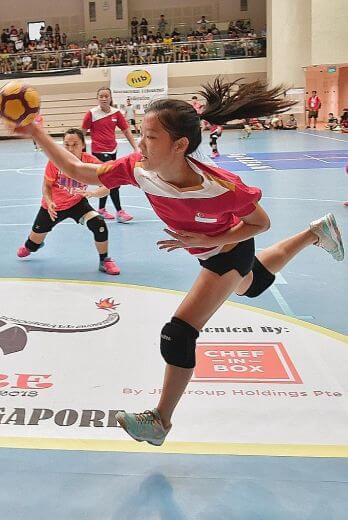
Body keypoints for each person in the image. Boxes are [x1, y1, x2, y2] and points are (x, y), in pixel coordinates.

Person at [18, 78, 344, 447]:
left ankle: (160, 420)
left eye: (151, 137)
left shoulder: (221, 186)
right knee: (253, 285)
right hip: (214, 250)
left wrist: (211, 239)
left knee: (179, 333)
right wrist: (35, 130)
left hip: (226, 252)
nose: (141, 143)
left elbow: (260, 223)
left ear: (180, 145)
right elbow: (80, 171)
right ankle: (316, 233)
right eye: (141, 134)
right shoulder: (139, 170)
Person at [17, 128, 121, 275]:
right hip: (53, 207)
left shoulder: (91, 162)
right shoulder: (56, 162)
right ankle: (33, 246)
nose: (70, 148)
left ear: (83, 145)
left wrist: (94, 193)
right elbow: (46, 186)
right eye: (67, 145)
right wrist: (49, 201)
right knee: (31, 246)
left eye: (75, 144)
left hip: (77, 203)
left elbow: (107, 187)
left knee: (99, 224)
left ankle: (104, 260)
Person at [82, 87, 138, 222]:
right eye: (101, 96)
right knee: (113, 181)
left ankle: (101, 209)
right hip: (99, 152)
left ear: (111, 98)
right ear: (97, 98)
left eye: (106, 96)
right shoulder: (91, 113)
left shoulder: (116, 113)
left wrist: (136, 147)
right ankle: (119, 212)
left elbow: (126, 131)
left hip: (113, 151)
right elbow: (82, 133)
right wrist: (81, 153)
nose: (104, 98)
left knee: (105, 181)